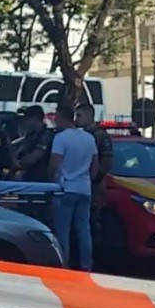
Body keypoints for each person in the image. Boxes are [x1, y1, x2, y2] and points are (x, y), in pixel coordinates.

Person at [50, 105, 99, 272]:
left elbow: (55, 163)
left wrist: (51, 179)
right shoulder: (89, 138)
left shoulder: (61, 138)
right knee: (84, 230)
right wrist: (87, 181)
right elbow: (95, 166)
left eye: (56, 117)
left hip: (65, 188)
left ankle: (64, 263)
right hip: (84, 189)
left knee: (63, 230)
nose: (55, 121)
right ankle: (86, 264)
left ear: (64, 118)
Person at [75, 103, 114, 231]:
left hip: (94, 184)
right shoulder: (82, 135)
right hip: (82, 182)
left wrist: (95, 178)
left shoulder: (100, 135)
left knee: (92, 218)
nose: (76, 119)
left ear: (88, 115)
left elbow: (107, 160)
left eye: (79, 115)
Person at [14, 105, 54, 182]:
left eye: (27, 118)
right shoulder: (30, 136)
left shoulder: (46, 135)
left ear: (35, 118)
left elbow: (34, 157)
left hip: (39, 180)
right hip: (26, 177)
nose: (24, 121)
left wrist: (18, 164)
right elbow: (19, 151)